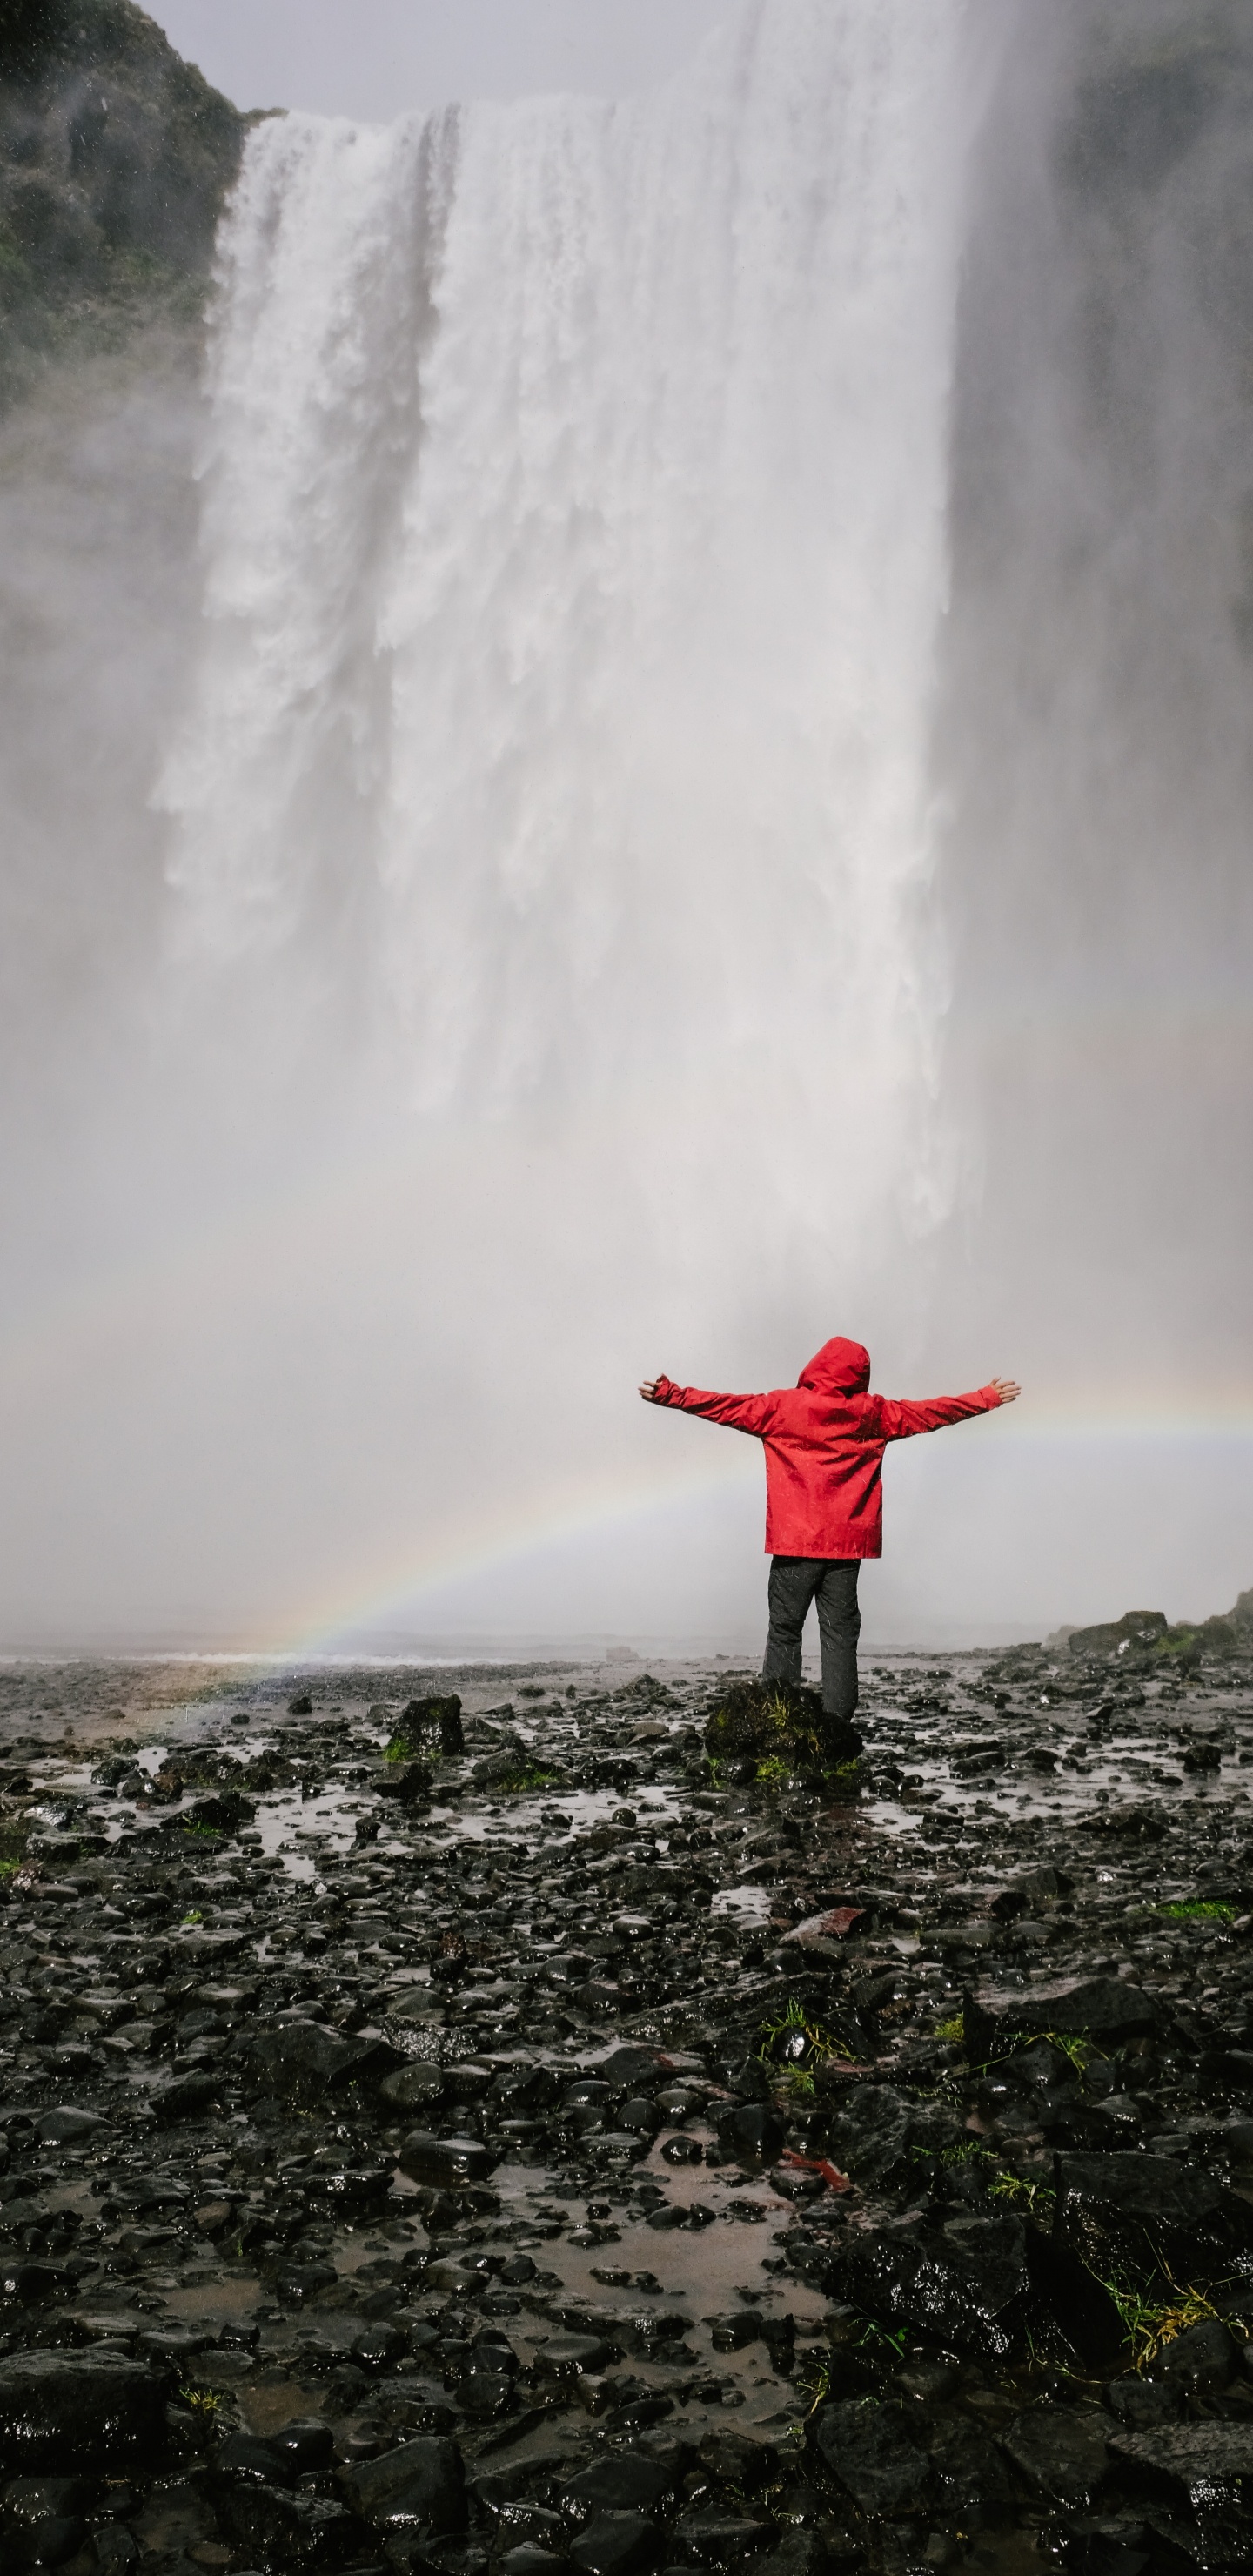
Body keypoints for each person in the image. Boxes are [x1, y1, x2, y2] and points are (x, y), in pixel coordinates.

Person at [640, 1338, 1019, 1755]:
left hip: (794, 1545)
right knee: (840, 1634)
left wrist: (670, 1395)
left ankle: (778, 1711)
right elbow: (932, 1414)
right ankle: (837, 1724)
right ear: (861, 1375)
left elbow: (724, 1407)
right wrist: (985, 1398)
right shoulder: (874, 1413)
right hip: (845, 1549)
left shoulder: (783, 1407)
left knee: (785, 1630)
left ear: (815, 1366)